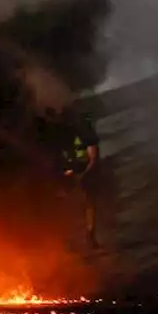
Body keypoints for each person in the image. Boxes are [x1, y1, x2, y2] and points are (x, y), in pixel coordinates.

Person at [38, 106, 103, 249]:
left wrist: (84, 174)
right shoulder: (55, 134)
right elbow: (52, 158)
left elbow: (93, 156)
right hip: (66, 169)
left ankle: (90, 235)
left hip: (83, 169)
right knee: (63, 201)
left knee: (89, 201)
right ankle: (68, 238)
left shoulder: (83, 130)